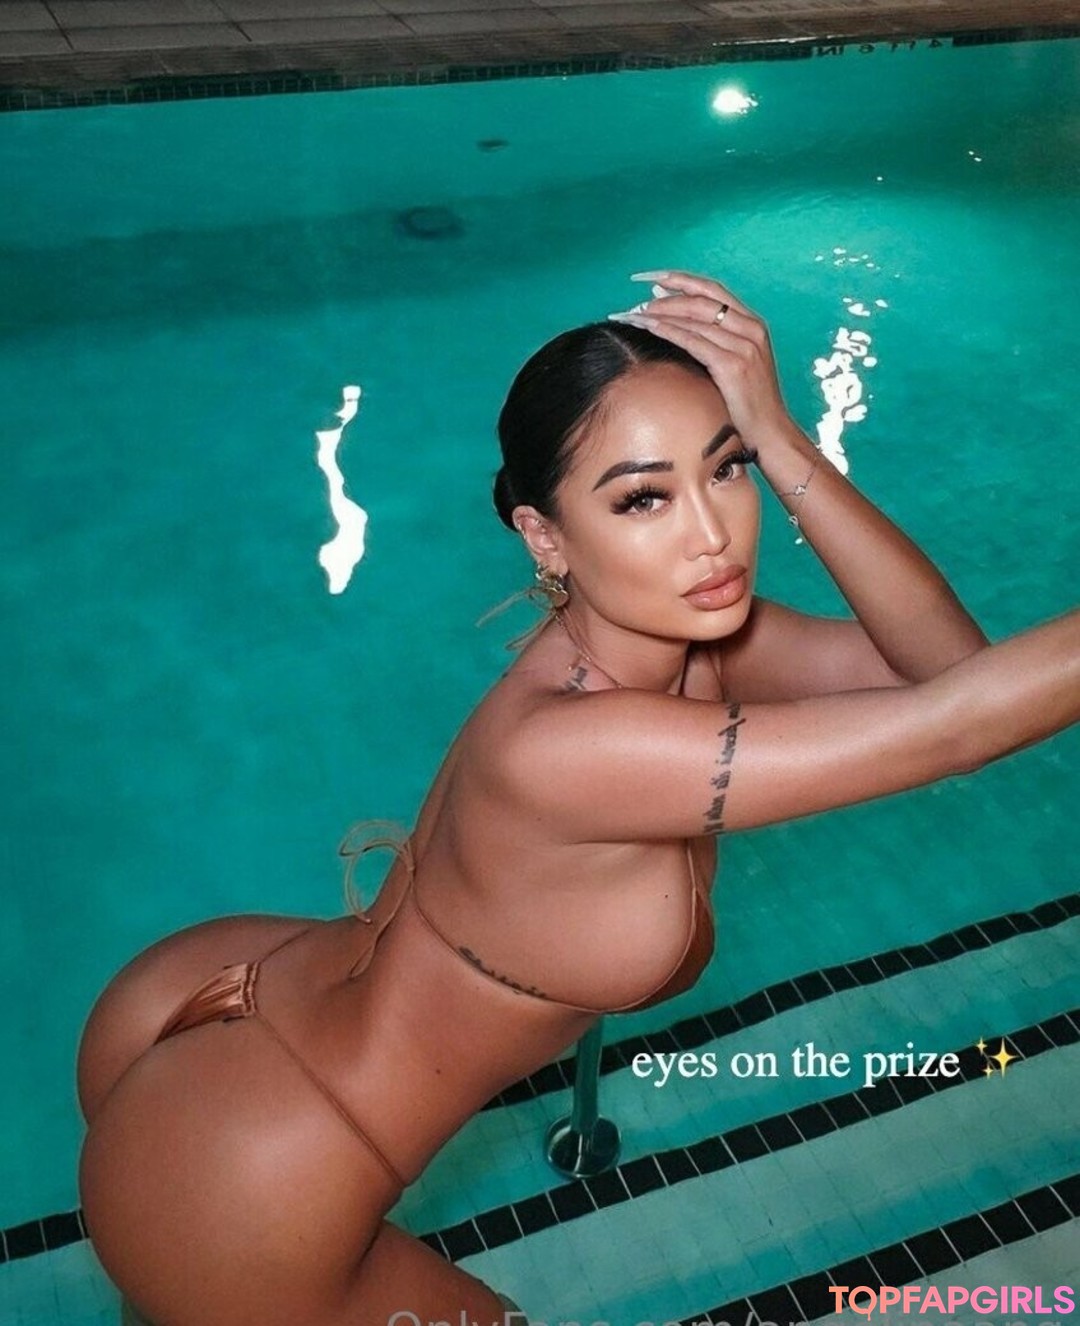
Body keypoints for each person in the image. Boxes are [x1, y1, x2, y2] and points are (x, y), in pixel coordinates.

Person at [76, 270, 1079, 1325]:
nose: (711, 535)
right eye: (644, 498)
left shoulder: (697, 643)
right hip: (260, 1175)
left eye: (726, 469)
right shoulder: (577, 749)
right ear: (545, 535)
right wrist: (759, 446)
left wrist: (781, 436)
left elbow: (950, 669)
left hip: (214, 991)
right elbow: (959, 727)